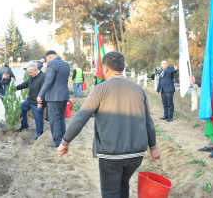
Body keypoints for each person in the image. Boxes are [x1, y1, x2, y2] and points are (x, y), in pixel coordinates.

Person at [57, 52, 161, 197]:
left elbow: (81, 117)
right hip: (136, 155)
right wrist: (153, 147)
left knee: (110, 193)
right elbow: (148, 121)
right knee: (123, 185)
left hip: (111, 154)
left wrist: (65, 141)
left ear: (105, 68)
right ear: (123, 68)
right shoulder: (139, 89)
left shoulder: (100, 89)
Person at [37, 50, 70, 147]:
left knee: (54, 119)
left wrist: (40, 94)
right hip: (64, 95)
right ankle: (63, 139)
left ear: (49, 57)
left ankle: (57, 141)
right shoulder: (65, 64)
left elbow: (48, 81)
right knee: (61, 118)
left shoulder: (52, 65)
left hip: (54, 96)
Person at [190, 75, 213, 158]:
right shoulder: (211, 70)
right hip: (210, 101)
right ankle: (209, 146)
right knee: (209, 124)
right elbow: (207, 83)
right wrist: (196, 81)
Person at [15, 64, 46, 140]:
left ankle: (39, 133)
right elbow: (25, 84)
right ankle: (24, 125)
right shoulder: (32, 76)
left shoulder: (43, 77)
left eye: (30, 72)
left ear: (35, 70)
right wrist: (15, 88)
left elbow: (44, 91)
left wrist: (40, 103)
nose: (29, 74)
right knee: (21, 107)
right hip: (30, 100)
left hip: (38, 102)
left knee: (38, 117)